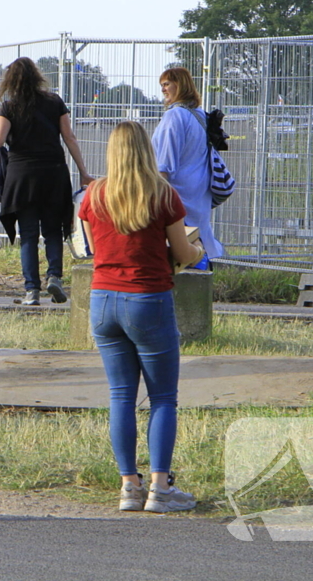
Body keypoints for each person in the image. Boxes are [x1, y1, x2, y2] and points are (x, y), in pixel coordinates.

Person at [79, 120, 204, 513]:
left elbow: (89, 246)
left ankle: (128, 487)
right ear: (146, 151)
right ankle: (160, 488)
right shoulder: (163, 195)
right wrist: (197, 254)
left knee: (121, 396)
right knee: (163, 397)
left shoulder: (93, 195)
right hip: (148, 298)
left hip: (102, 299)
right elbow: (183, 254)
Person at [0, 57, 93, 306]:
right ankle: (54, 277)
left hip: (21, 177)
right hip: (54, 174)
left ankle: (31, 291)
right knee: (53, 231)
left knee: (28, 235)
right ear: (37, 76)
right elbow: (69, 137)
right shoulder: (54, 101)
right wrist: (83, 171)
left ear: (10, 81)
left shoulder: (9, 106)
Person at [150, 67, 225, 266]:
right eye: (162, 85)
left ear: (179, 85)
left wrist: (157, 202)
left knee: (179, 254)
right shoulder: (199, 115)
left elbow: (164, 164)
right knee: (198, 242)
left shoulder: (174, 116)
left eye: (167, 84)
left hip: (177, 196)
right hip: (199, 193)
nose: (163, 90)